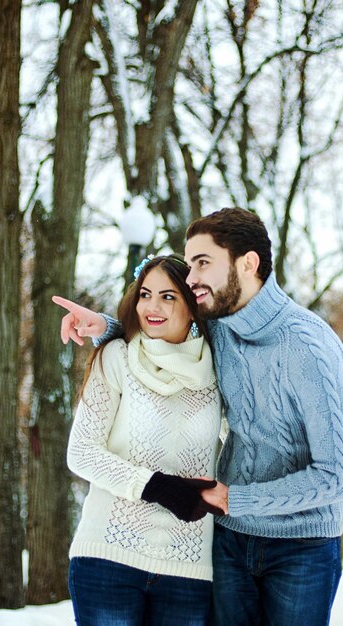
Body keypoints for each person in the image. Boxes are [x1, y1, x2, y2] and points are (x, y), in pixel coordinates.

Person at [56, 208, 343, 626]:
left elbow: (339, 474)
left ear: (247, 263)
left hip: (300, 546)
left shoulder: (309, 347)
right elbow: (167, 330)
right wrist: (105, 326)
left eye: (203, 263)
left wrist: (239, 499)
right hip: (230, 540)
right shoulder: (218, 330)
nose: (192, 276)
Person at [54, 254, 224, 626]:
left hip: (189, 570)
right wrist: (157, 487)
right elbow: (81, 453)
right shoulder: (115, 357)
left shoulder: (219, 373)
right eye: (145, 294)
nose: (152, 306)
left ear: (193, 306)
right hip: (108, 559)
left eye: (168, 297)